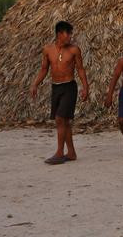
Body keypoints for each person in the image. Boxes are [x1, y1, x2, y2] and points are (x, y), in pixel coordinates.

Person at [29, 21, 89, 165]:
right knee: (64, 121)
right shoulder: (47, 50)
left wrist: (85, 87)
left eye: (70, 33)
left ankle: (59, 153)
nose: (70, 36)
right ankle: (71, 153)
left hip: (69, 87)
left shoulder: (74, 50)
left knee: (60, 118)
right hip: (56, 87)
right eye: (68, 33)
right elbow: (44, 69)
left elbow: (80, 69)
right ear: (59, 34)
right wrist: (35, 84)